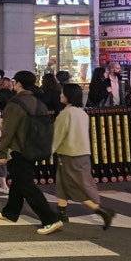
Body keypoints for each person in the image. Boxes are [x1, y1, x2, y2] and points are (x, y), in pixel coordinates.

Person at [0, 70, 63, 235]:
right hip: (36, 147)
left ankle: (50, 219)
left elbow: (8, 131)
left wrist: (1, 152)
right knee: (19, 180)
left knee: (27, 185)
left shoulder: (15, 104)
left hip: (20, 149)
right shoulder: (38, 103)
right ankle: (10, 212)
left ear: (18, 84)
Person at [52, 84, 117, 229]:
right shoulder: (82, 113)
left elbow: (58, 136)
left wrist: (48, 151)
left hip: (69, 154)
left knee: (76, 185)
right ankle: (61, 211)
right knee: (64, 182)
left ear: (68, 96)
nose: (60, 95)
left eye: (62, 93)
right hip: (82, 153)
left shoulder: (66, 114)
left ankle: (101, 211)